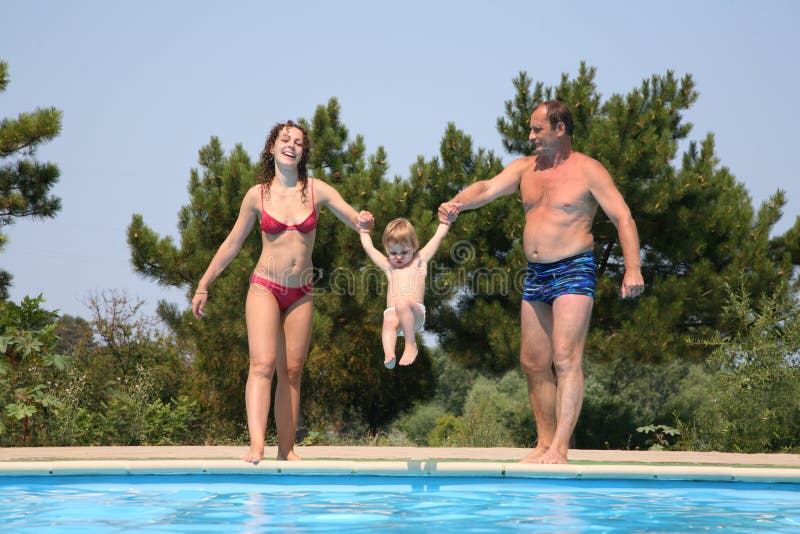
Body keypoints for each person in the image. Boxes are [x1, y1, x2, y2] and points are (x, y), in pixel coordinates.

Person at [438, 100, 644, 464]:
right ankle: (544, 443)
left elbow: (623, 217)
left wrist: (633, 268)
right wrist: (457, 202)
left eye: (537, 129)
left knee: (566, 358)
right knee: (534, 362)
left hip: (573, 270)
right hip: (535, 275)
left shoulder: (588, 171)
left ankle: (561, 449)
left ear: (560, 129)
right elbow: (485, 189)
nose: (531, 136)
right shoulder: (524, 169)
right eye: (531, 130)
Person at [192, 120, 374, 463]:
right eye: (285, 139)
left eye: (299, 142)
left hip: (301, 291)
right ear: (272, 147)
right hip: (265, 287)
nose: (292, 145)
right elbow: (232, 243)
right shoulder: (256, 195)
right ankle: (257, 445)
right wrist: (204, 284)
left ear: (303, 152)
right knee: (262, 364)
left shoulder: (316, 190)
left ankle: (287, 449)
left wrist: (363, 221)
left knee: (292, 371)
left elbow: (352, 217)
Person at [359, 217, 450, 368]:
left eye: (404, 251)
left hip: (415, 315)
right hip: (395, 315)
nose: (399, 257)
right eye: (393, 252)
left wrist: (446, 221)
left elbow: (437, 237)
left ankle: (411, 344)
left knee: (401, 304)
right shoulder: (389, 266)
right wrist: (364, 231)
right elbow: (369, 248)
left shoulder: (419, 260)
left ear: (414, 246)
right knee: (388, 319)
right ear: (387, 249)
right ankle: (389, 353)